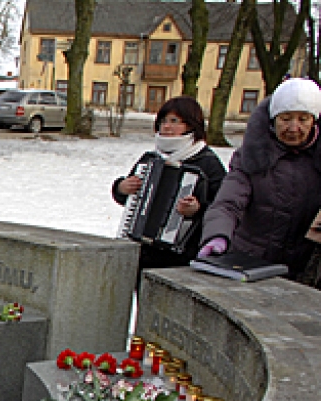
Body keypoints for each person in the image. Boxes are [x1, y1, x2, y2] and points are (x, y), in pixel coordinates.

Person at [199, 78, 321, 283]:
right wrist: (217, 236)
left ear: (314, 121)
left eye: (303, 119)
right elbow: (227, 204)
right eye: (286, 118)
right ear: (272, 119)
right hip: (249, 265)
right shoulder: (251, 156)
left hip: (304, 272)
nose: (293, 128)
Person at [112, 96, 227, 275]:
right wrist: (121, 187)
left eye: (174, 121)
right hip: (143, 250)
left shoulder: (207, 162)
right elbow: (126, 198)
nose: (166, 126)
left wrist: (197, 209)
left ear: (190, 125)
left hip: (185, 255)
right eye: (163, 121)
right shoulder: (150, 159)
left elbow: (223, 207)